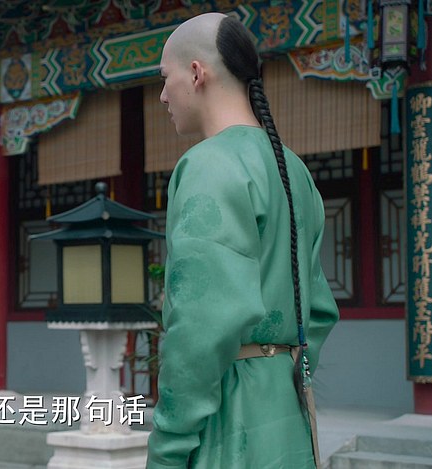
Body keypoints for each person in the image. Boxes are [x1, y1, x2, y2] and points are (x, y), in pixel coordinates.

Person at [147, 12, 339, 469]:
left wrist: (168, 448)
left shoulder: (208, 165)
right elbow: (319, 312)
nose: (162, 95)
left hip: (229, 422)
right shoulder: (293, 169)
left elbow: (199, 327)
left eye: (165, 78)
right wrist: (278, 372)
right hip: (287, 414)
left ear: (196, 73)